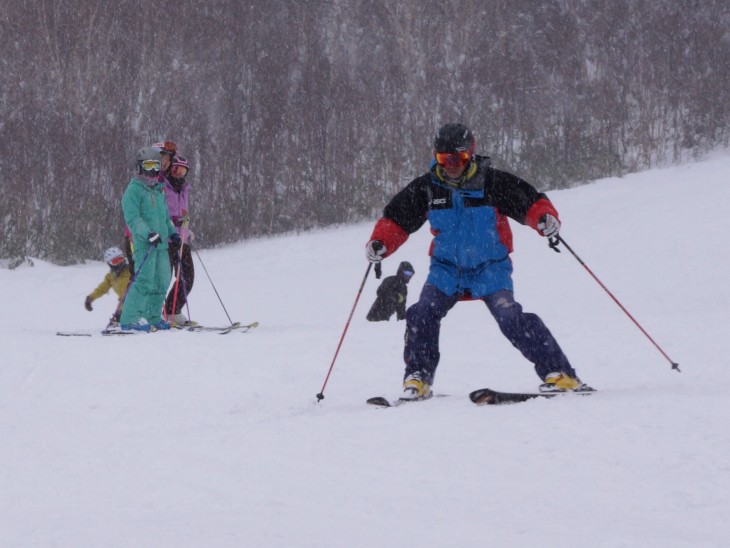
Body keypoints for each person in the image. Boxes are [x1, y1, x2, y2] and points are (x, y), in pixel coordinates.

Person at [365, 123, 592, 400]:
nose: (450, 165)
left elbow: (530, 203)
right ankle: (419, 378)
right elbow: (396, 220)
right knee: (421, 313)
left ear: (469, 155)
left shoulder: (492, 182)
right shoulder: (428, 188)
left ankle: (560, 374)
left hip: (490, 268)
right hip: (446, 270)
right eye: (443, 159)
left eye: (457, 159)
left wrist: (544, 219)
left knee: (510, 316)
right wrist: (380, 243)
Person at [117, 147, 181, 332]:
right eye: (148, 165)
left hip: (161, 245)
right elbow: (133, 219)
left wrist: (172, 234)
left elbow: (165, 217)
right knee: (144, 280)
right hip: (145, 244)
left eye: (156, 165)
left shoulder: (159, 190)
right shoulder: (133, 191)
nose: (152, 170)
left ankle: (153, 316)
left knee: (162, 280)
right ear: (140, 167)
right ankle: (129, 319)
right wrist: (148, 233)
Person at [161, 154, 195, 325]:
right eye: (176, 169)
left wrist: (187, 231)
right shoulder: (163, 186)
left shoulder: (184, 189)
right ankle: (152, 312)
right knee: (163, 277)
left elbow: (183, 214)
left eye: (183, 171)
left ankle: (172, 310)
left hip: (182, 239)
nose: (179, 174)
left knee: (187, 277)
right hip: (167, 239)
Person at [84, 247, 131, 326]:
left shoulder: (131, 270)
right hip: (123, 304)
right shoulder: (111, 277)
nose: (120, 263)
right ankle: (118, 325)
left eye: (121, 259)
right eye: (115, 261)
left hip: (137, 300)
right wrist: (91, 298)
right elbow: (101, 289)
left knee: (125, 313)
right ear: (110, 264)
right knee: (118, 317)